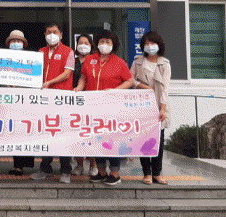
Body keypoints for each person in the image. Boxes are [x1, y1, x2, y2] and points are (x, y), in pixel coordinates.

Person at [75, 29, 135, 186]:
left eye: (108, 42)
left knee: (112, 139)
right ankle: (101, 172)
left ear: (113, 44)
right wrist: (79, 88)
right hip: (92, 107)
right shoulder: (90, 60)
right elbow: (83, 77)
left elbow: (129, 81)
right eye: (102, 41)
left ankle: (115, 173)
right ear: (97, 43)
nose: (104, 44)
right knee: (96, 138)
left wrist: (115, 90)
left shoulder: (119, 62)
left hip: (112, 108)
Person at [30, 23, 74, 183]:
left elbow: (67, 73)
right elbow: (33, 73)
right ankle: (45, 168)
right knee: (46, 133)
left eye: (55, 32)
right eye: (49, 32)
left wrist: (49, 82)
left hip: (61, 98)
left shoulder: (68, 51)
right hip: (44, 99)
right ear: (44, 35)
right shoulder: (40, 52)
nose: (52, 35)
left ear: (61, 35)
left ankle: (66, 171)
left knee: (63, 134)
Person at [131, 31, 171, 185]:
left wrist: (163, 109)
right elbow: (130, 79)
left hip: (159, 105)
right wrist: (143, 87)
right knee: (144, 139)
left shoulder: (164, 64)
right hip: (142, 105)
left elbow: (165, 88)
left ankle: (157, 173)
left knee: (158, 140)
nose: (149, 46)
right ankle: (146, 173)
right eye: (146, 43)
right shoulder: (138, 61)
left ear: (159, 45)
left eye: (152, 43)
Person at [4, 29, 36, 176]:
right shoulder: (2, 59)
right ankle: (17, 165)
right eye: (13, 41)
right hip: (9, 101)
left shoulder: (31, 59)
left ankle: (24, 164)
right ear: (9, 43)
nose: (16, 43)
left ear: (23, 44)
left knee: (25, 132)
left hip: (27, 101)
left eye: (18, 41)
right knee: (13, 133)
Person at [71, 34, 98, 177]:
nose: (82, 45)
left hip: (92, 101)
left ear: (91, 45)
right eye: (80, 43)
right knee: (77, 134)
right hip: (75, 101)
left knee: (90, 134)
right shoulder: (73, 60)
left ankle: (93, 164)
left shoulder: (95, 60)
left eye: (86, 43)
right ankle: (79, 164)